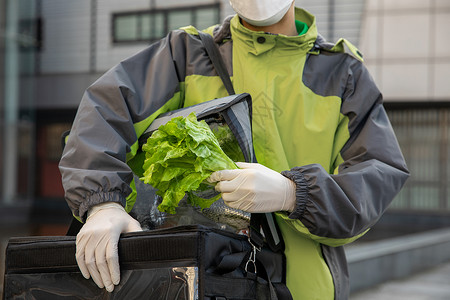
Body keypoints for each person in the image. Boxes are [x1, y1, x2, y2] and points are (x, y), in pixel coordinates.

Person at [59, 0, 409, 299]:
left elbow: (377, 173)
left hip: (304, 288)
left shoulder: (343, 73)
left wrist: (294, 194)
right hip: (204, 280)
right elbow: (104, 112)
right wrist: (102, 203)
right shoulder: (187, 55)